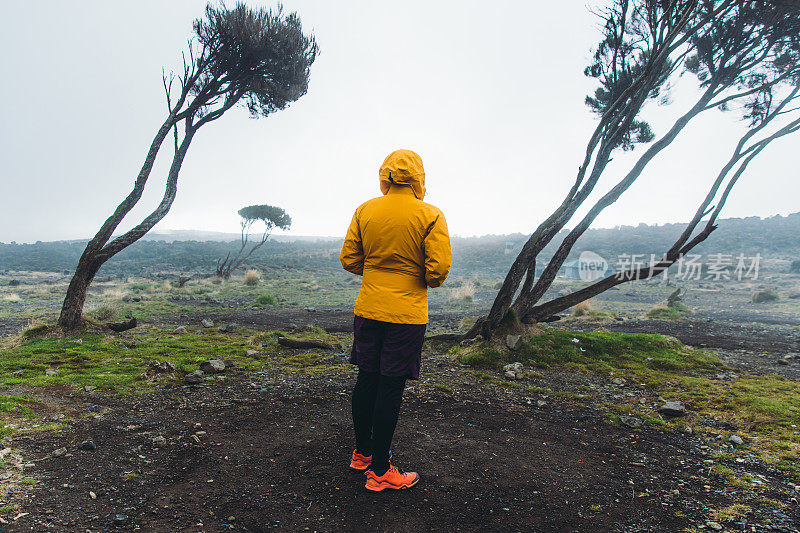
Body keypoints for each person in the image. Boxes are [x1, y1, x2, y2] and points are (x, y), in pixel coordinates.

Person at [340, 149, 452, 492]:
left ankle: (361, 454)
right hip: (406, 316)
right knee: (390, 386)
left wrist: (377, 273)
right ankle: (380, 471)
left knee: (366, 379)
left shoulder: (365, 210)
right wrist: (410, 275)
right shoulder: (430, 215)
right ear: (418, 177)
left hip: (369, 308)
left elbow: (349, 259)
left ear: (385, 175)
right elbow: (437, 272)